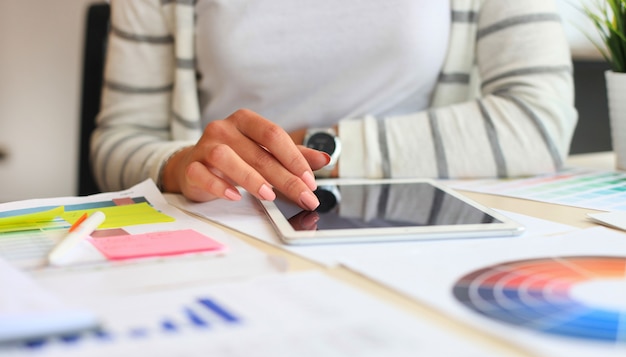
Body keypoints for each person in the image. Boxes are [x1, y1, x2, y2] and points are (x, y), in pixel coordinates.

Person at [92, 0, 577, 211]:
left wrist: (312, 150)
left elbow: (537, 123)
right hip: (230, 220)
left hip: (419, 226)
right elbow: (118, 141)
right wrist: (183, 166)